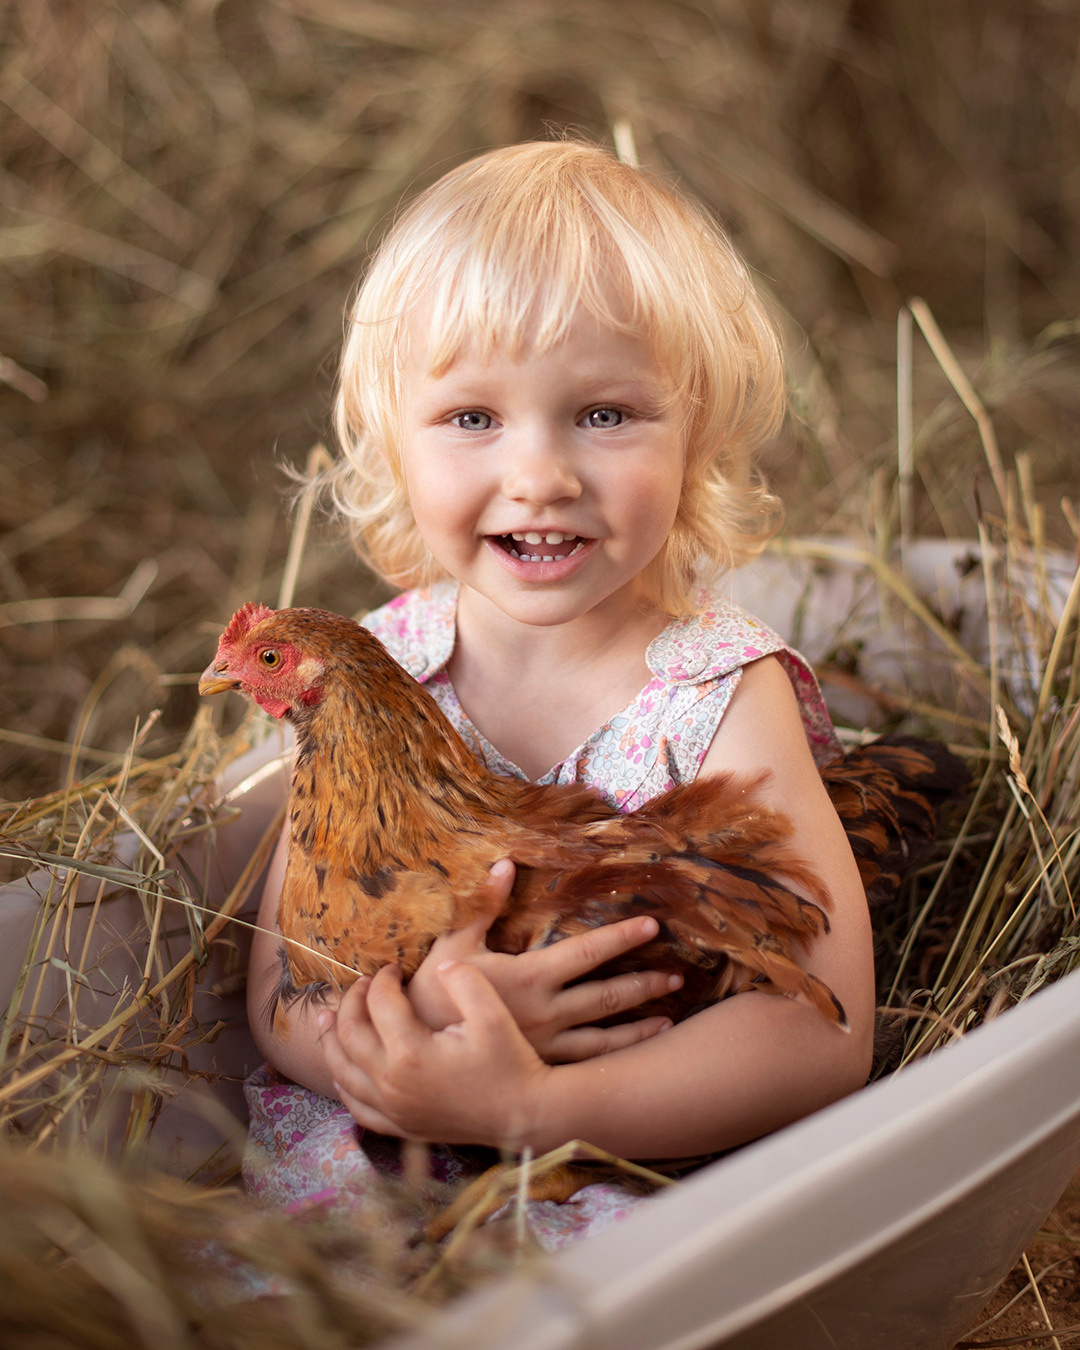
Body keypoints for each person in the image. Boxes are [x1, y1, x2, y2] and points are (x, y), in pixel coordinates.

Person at [242, 139, 874, 1247]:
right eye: (474, 419)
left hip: (625, 1173)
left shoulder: (718, 694)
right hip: (374, 1156)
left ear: (701, 436)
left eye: (604, 413)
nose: (541, 475)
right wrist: (418, 1035)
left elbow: (822, 1034)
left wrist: (535, 1108)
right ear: (394, 443)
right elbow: (281, 997)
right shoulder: (369, 672)